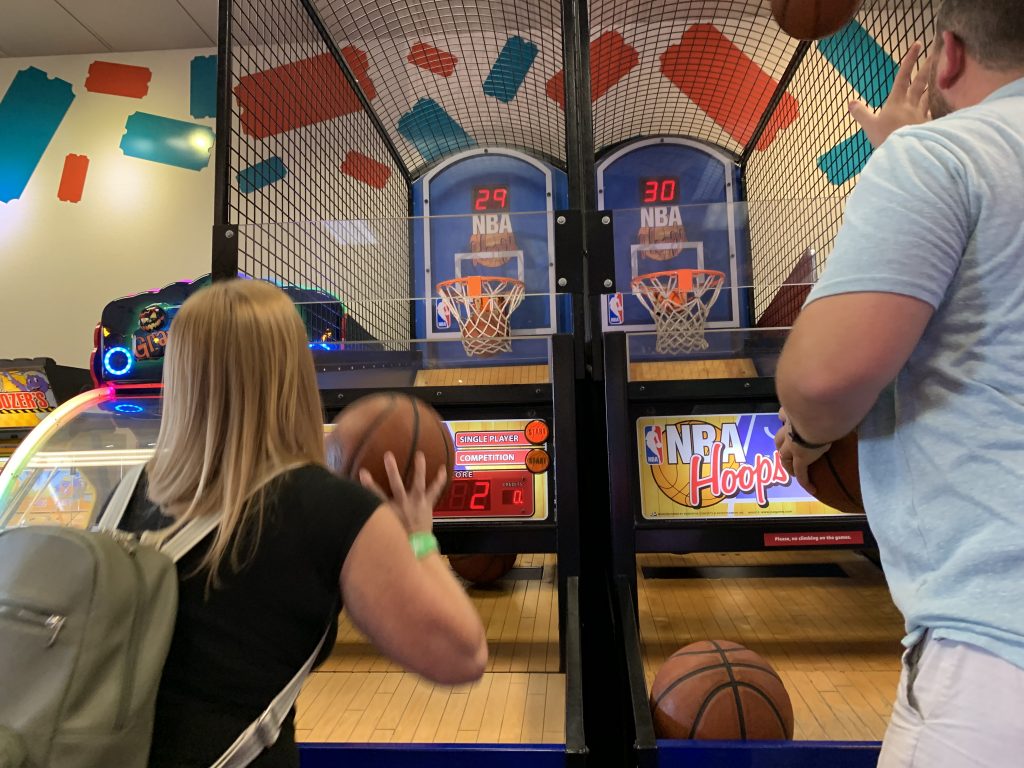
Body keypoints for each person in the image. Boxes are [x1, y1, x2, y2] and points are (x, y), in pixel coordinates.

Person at [774, 1, 1024, 764]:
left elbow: (823, 378)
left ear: (946, 56)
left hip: (998, 640)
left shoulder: (945, 156)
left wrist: (808, 441)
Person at [114, 279, 487, 767]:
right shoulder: (329, 509)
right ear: (293, 372)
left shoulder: (131, 492)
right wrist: (418, 534)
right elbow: (461, 656)